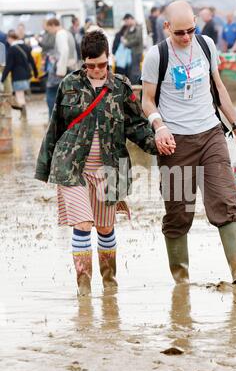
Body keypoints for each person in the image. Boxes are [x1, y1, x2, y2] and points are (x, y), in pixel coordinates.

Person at [142, 0, 236, 289]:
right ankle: (181, 283)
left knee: (226, 200)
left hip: (211, 135)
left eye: (190, 30)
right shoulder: (156, 56)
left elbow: (218, 87)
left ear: (196, 23)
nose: (185, 38)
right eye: (179, 32)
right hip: (175, 143)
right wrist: (159, 126)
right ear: (167, 27)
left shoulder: (206, 45)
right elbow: (147, 99)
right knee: (178, 212)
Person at [34, 30, 159, 296]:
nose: (97, 70)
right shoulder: (69, 85)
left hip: (109, 170)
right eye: (90, 66)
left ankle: (109, 283)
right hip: (72, 169)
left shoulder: (121, 87)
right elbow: (55, 127)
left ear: (108, 59)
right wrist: (45, 169)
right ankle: (84, 287)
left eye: (102, 65)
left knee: (105, 228)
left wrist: (159, 144)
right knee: (82, 225)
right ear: (83, 62)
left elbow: (136, 126)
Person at [1, 29, 38, 119]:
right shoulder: (25, 47)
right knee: (21, 94)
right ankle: (23, 112)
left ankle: (23, 113)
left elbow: (9, 66)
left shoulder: (12, 49)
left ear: (10, 38)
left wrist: (2, 78)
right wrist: (35, 73)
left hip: (18, 76)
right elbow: (32, 61)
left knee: (19, 95)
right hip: (26, 75)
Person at [45, 18, 78, 118]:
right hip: (71, 68)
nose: (49, 31)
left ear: (53, 25)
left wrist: (60, 71)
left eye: (48, 29)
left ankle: (52, 119)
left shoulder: (60, 34)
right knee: (67, 97)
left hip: (62, 70)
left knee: (51, 93)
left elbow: (64, 51)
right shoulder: (68, 33)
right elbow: (74, 52)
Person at [121, 13, 143, 85]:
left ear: (130, 19)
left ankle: (137, 86)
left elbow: (137, 39)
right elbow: (124, 36)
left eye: (126, 21)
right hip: (130, 53)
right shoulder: (129, 28)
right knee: (131, 71)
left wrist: (126, 43)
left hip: (137, 52)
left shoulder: (138, 27)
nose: (126, 23)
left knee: (135, 70)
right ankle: (133, 85)